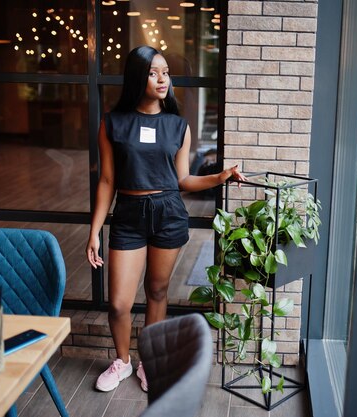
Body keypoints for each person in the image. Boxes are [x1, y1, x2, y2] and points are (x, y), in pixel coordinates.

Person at [85, 45, 245, 393]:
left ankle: (148, 362)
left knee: (157, 291)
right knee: (119, 303)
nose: (162, 78)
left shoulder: (177, 125)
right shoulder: (113, 123)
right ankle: (123, 361)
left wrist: (220, 176)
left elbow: (183, 180)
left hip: (168, 213)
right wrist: (95, 231)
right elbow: (108, 181)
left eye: (166, 72)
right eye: (153, 71)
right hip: (128, 215)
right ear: (136, 77)